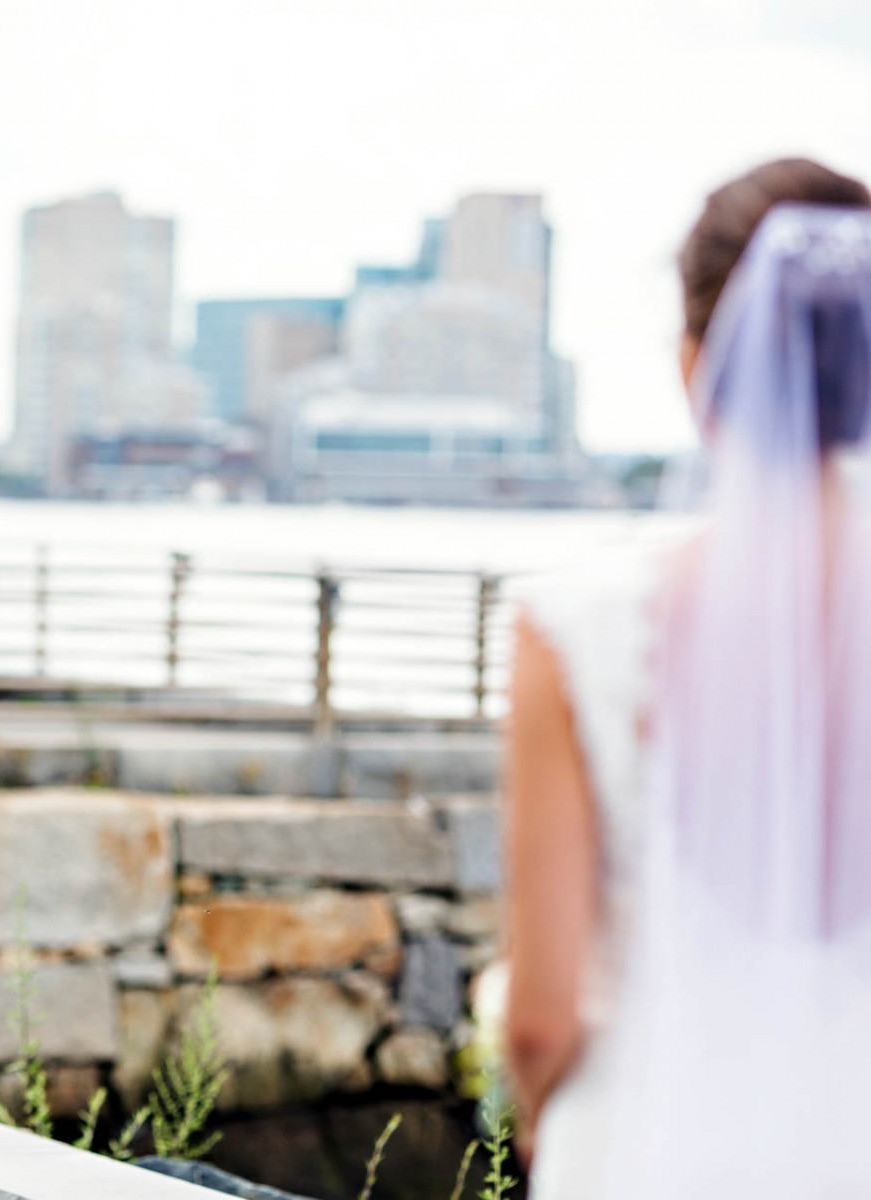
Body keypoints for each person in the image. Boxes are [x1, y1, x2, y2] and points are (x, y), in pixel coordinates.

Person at [503, 159, 871, 1195]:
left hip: (653, 1143)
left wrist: (546, 1121)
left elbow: (543, 1016)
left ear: (699, 363)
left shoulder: (580, 629)